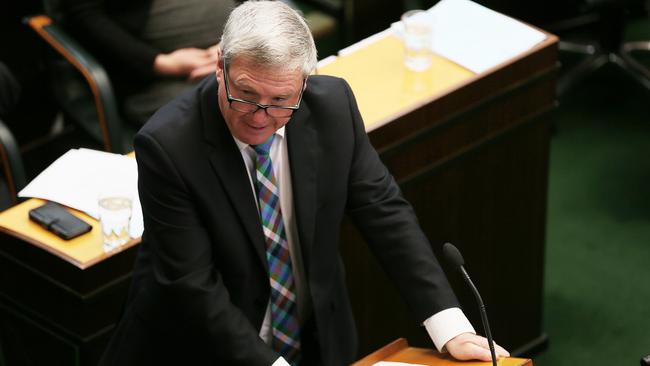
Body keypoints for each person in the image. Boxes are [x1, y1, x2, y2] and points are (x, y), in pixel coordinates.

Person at [99, 1, 510, 365]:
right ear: (221, 66)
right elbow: (192, 288)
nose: (260, 116)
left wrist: (448, 326)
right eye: (246, 94)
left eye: (281, 101)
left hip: (317, 337)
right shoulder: (168, 145)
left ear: (304, 83)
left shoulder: (332, 106)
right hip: (204, 345)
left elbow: (384, 212)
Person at [61, 0, 237, 125]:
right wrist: (161, 64)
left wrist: (238, 40)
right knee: (229, 112)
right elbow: (84, 15)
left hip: (233, 46)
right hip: (139, 69)